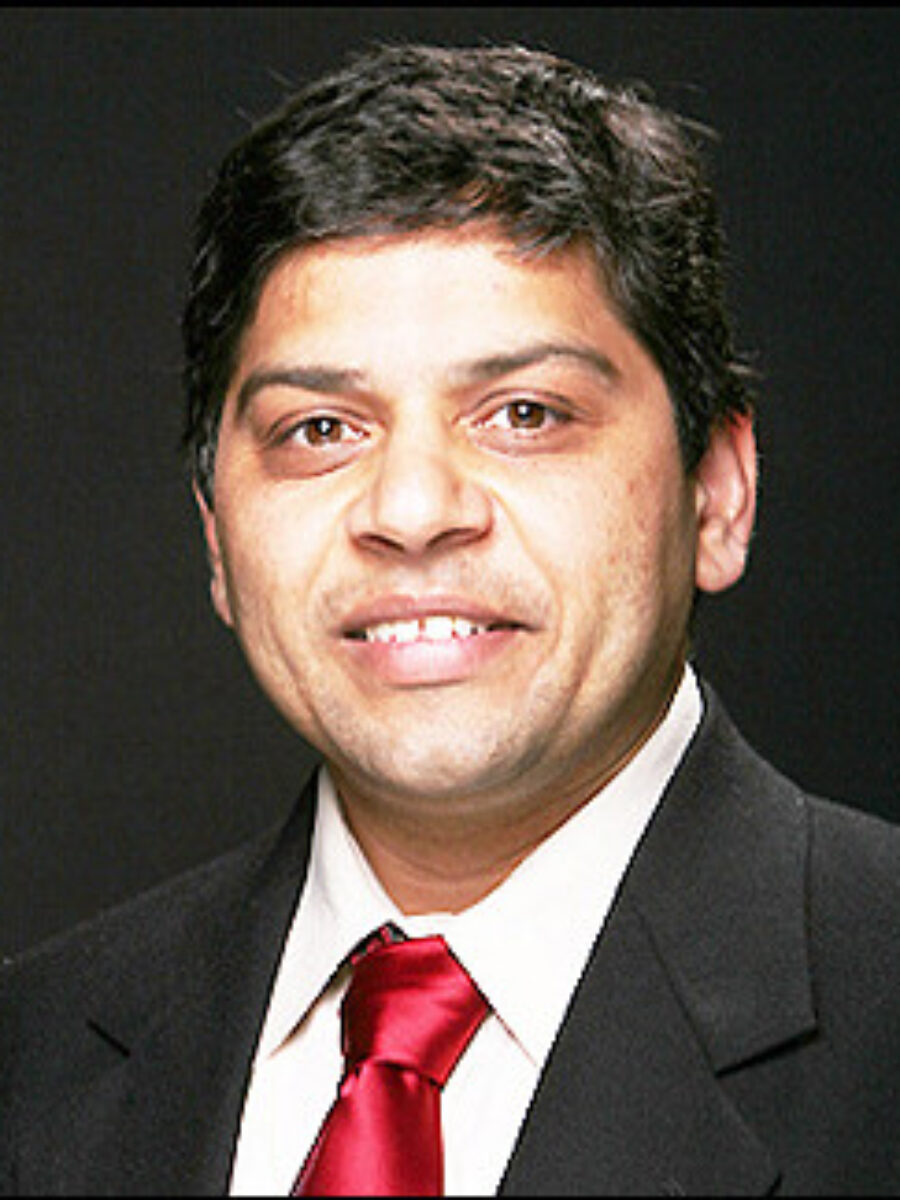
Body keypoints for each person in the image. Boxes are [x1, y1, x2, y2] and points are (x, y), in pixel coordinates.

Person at [2, 42, 899, 1197]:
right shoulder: (33, 1056)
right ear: (218, 537)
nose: (413, 511)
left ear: (718, 493)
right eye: (320, 430)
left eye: (524, 413)